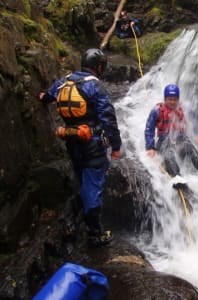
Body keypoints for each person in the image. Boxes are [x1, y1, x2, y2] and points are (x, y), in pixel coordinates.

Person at [38, 48, 122, 247]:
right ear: (99, 67)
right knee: (92, 184)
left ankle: (71, 223)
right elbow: (108, 118)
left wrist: (42, 97)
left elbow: (48, 95)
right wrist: (116, 146)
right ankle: (95, 233)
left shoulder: (64, 81)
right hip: (92, 142)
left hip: (72, 139)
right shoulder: (95, 86)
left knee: (80, 178)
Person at [145, 84, 198, 188]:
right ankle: (176, 176)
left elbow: (196, 120)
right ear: (165, 99)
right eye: (169, 99)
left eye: (174, 99)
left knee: (189, 145)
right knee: (168, 143)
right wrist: (150, 147)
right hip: (164, 142)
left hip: (179, 141)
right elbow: (149, 129)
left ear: (178, 99)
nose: (172, 102)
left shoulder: (183, 109)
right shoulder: (157, 111)